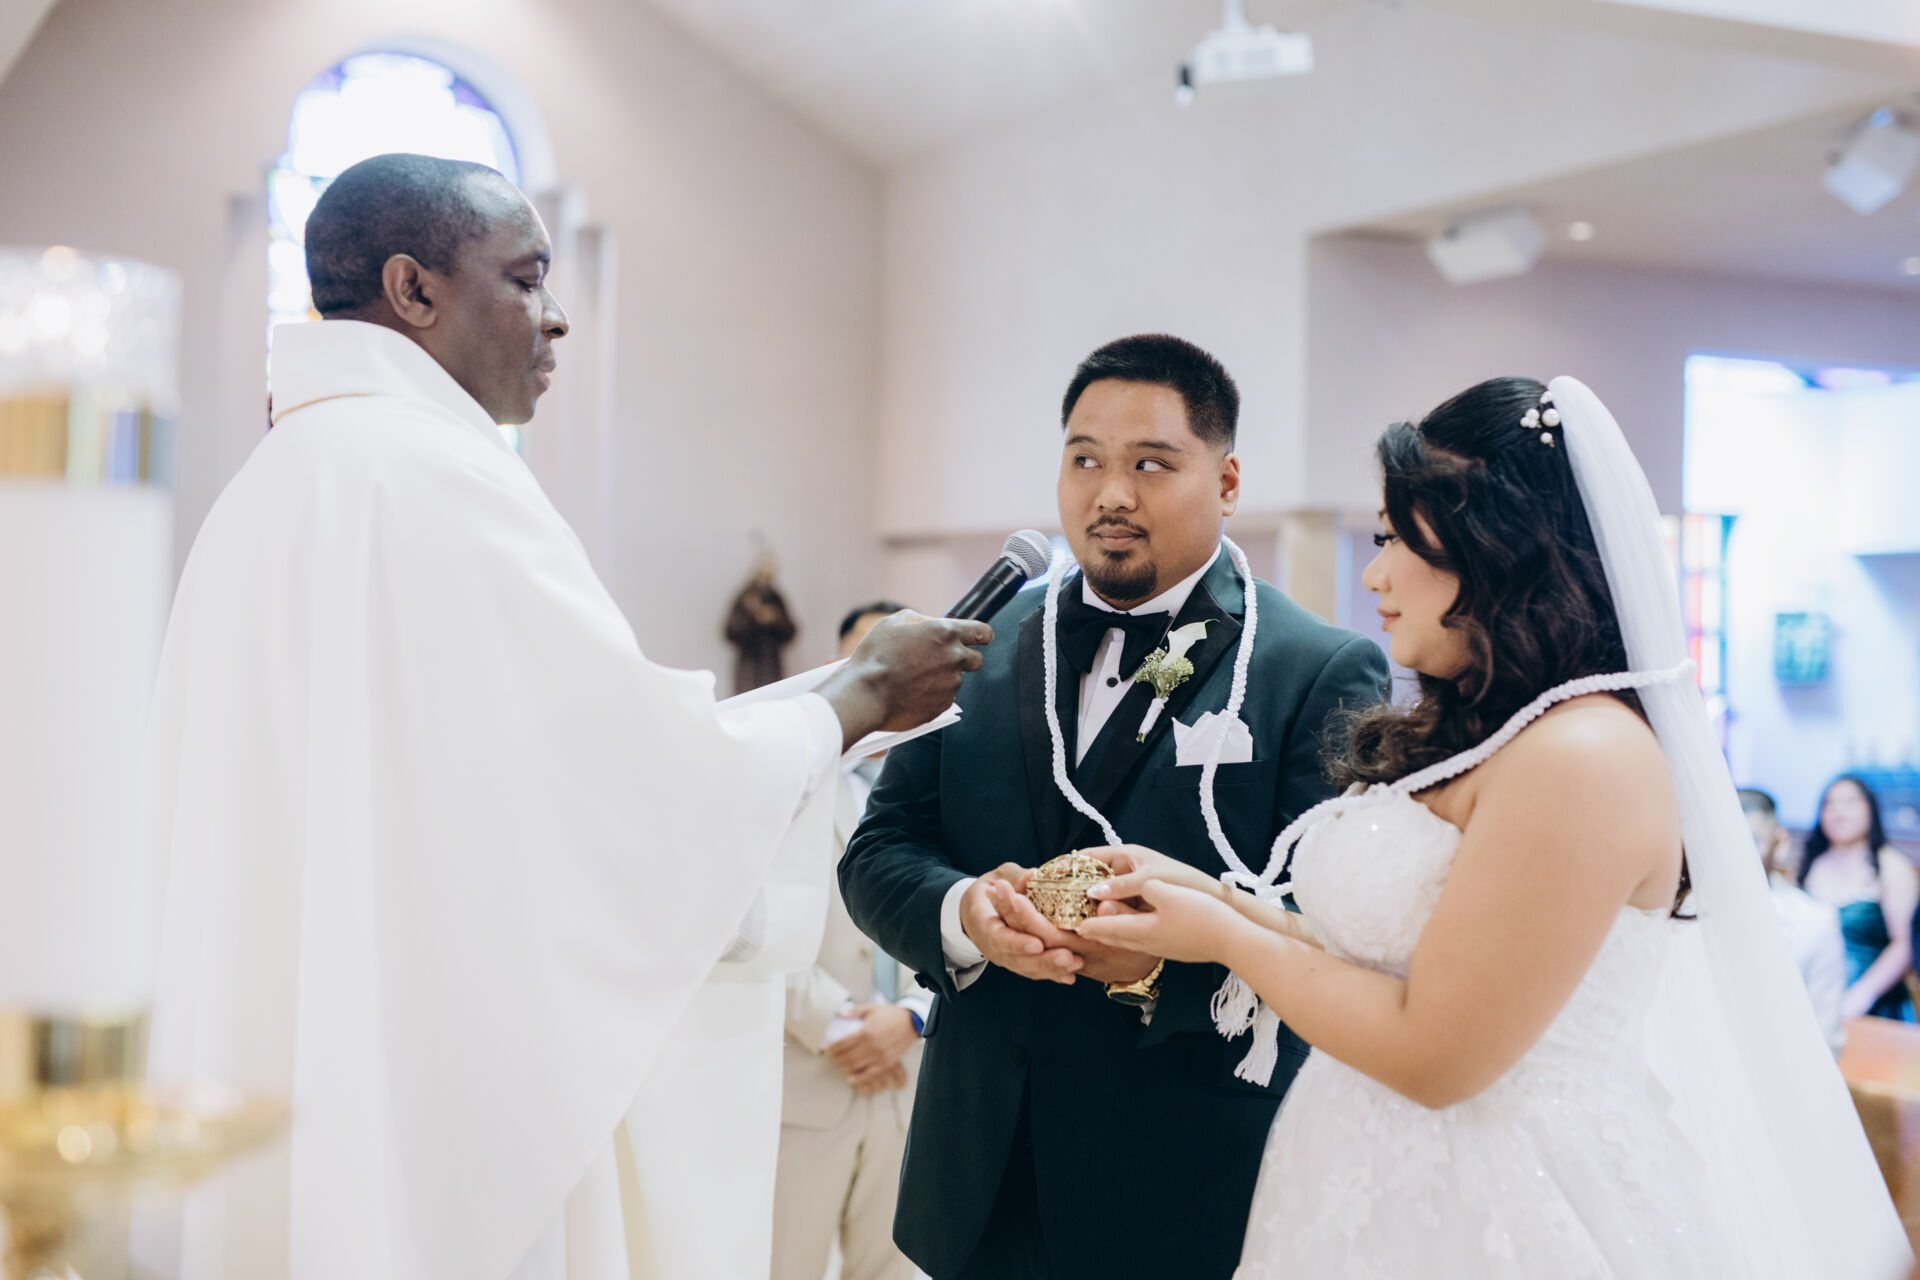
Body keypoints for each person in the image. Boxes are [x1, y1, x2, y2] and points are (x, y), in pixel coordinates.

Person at [137, 153, 988, 1280]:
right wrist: (862, 693)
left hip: (297, 1048)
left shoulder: (277, 481)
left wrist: (833, 699)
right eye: (527, 278)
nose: (557, 317)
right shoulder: (435, 474)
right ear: (413, 289)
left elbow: (544, 767)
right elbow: (633, 788)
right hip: (431, 1075)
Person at [1077, 377, 1909, 1279]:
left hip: (1506, 1197)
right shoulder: (1489, 732)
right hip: (1364, 1171)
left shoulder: (1585, 755)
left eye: (1396, 539)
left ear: (1498, 547)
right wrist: (1208, 899)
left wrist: (1224, 939)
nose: (1374, 574)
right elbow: (1386, 964)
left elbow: (1436, 1051)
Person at [840, 334, 1389, 1280]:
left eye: (1150, 464)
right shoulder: (981, 640)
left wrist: (1158, 968)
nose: (1112, 494)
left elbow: (1333, 930)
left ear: (1226, 482)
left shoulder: (1313, 667)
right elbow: (880, 848)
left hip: (1183, 1181)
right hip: (977, 1175)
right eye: (1085, 460)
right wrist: (966, 915)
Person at [772, 601, 932, 1280]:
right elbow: (750, 922)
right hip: (809, 1080)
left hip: (917, 1083)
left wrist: (914, 1016)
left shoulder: (949, 783)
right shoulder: (789, 781)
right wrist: (837, 1024)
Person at [1799, 773, 1918, 1022]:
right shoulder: (1810, 865)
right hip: (1814, 997)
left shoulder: (1891, 867)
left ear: (1871, 809)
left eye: (1850, 802)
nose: (1839, 812)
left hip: (1873, 1004)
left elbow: (1905, 945)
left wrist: (1862, 995)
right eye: (1830, 804)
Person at [1741, 787, 1847, 1053]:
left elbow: (1826, 1035)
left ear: (1780, 843)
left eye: (1753, 841)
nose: (1738, 855)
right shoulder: (1678, 910)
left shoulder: (1814, 921)